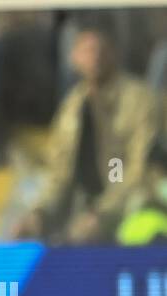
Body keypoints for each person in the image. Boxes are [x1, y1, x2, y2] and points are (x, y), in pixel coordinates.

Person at [14, 21, 161, 244]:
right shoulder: (72, 108)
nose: (95, 57)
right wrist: (39, 212)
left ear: (115, 54)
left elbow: (142, 173)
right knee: (22, 222)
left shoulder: (141, 101)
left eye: (101, 49)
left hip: (135, 208)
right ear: (74, 58)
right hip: (83, 213)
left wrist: (101, 215)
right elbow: (58, 173)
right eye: (87, 50)